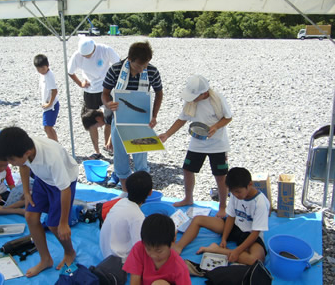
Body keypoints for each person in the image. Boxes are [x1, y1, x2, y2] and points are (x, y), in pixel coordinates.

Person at [0, 126, 79, 277]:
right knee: (30, 217)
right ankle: (45, 259)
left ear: (27, 153)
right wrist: (26, 192)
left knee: (55, 225)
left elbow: (65, 189)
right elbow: (23, 167)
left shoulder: (51, 157)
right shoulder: (25, 150)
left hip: (63, 184)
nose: (11, 163)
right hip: (43, 180)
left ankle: (69, 252)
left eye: (12, 160)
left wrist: (64, 222)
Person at [159, 75, 232, 217]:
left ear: (204, 93)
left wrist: (216, 127)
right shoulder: (191, 102)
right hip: (197, 143)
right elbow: (182, 119)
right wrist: (167, 134)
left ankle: (223, 206)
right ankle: (188, 197)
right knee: (187, 170)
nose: (192, 98)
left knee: (220, 176)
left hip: (218, 144)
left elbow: (228, 117)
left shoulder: (217, 99)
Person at [173, 167, 270, 265]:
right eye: (233, 192)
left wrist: (237, 251)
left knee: (256, 260)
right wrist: (224, 238)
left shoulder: (260, 203)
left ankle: (216, 250)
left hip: (250, 233)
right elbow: (231, 217)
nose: (236, 195)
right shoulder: (235, 194)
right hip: (235, 227)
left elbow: (255, 232)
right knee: (198, 219)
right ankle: (178, 247)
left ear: (250, 184)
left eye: (238, 192)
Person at [102, 41, 163, 193]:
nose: (142, 69)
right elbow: (104, 94)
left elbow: (159, 93)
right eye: (138, 66)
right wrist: (109, 104)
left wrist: (154, 115)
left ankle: (142, 192)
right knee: (120, 157)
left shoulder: (152, 71)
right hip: (120, 119)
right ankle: (125, 191)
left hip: (141, 120)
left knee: (141, 159)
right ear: (129, 59)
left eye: (145, 65)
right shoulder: (116, 69)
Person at [68, 38, 120, 159]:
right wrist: (80, 83)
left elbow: (118, 65)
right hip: (90, 91)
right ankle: (97, 151)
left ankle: (109, 146)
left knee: (108, 119)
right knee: (92, 122)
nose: (86, 57)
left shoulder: (105, 50)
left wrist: (113, 82)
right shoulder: (77, 55)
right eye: (84, 55)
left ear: (94, 48)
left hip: (106, 90)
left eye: (88, 55)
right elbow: (70, 71)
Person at [123, 213, 191, 285]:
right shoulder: (139, 249)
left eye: (159, 251)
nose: (153, 255)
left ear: (172, 241)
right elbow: (135, 281)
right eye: (148, 249)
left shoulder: (179, 267)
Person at [99, 171, 152, 262]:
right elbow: (139, 247)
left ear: (126, 189)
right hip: (118, 261)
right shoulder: (137, 217)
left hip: (105, 250)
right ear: (150, 192)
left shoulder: (121, 202)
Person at [34, 54, 60, 141]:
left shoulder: (49, 75)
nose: (41, 71)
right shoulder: (43, 75)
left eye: (43, 69)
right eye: (38, 69)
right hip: (47, 105)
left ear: (47, 66)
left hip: (51, 106)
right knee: (47, 127)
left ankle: (55, 146)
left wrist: (50, 103)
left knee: (48, 127)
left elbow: (54, 90)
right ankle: (55, 145)